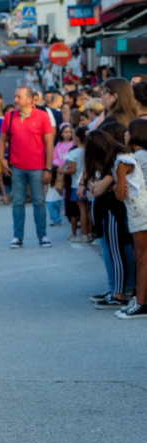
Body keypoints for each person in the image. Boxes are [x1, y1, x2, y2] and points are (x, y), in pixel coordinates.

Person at [84, 129, 136, 309]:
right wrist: (94, 186)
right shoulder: (115, 159)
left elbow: (97, 190)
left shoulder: (116, 161)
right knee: (117, 251)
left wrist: (93, 186)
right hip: (110, 211)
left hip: (113, 212)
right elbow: (94, 186)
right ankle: (118, 291)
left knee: (116, 253)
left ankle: (119, 294)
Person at [1, 87, 56, 249]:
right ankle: (18, 236)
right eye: (15, 96)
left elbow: (49, 144)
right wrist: (1, 159)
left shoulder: (43, 116)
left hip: (38, 168)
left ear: (30, 100)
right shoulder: (9, 116)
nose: (15, 100)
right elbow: (2, 140)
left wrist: (48, 169)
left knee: (39, 201)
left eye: (18, 97)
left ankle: (42, 235)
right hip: (16, 167)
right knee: (18, 202)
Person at [113, 119, 147, 318]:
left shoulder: (136, 157)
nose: (125, 134)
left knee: (142, 257)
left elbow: (122, 192)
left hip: (139, 208)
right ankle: (140, 300)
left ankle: (141, 302)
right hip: (141, 206)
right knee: (141, 256)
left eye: (128, 131)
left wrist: (117, 185)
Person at [62, 127, 90, 242]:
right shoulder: (89, 152)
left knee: (82, 210)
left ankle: (84, 234)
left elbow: (72, 170)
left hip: (76, 184)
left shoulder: (73, 152)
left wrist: (61, 171)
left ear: (77, 138)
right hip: (89, 184)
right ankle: (91, 232)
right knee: (89, 209)